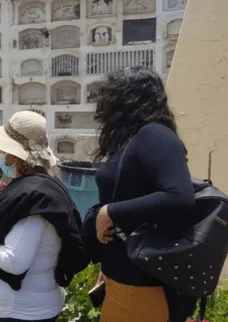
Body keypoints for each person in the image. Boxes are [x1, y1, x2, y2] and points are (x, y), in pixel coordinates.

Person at [81, 67, 197, 322]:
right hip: (122, 284)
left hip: (145, 289)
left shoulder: (154, 135)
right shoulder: (133, 140)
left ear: (128, 99)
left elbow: (180, 196)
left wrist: (109, 212)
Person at [0, 111, 88, 322]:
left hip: (25, 312)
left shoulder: (33, 198)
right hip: (32, 306)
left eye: (4, 150)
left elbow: (15, 261)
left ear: (15, 155)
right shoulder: (43, 187)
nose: (1, 154)